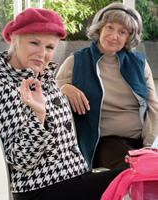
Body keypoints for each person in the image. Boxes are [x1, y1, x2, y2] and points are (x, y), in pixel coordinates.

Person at [0, 8, 125, 200]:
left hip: (73, 179)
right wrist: (39, 114)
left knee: (140, 176)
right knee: (132, 180)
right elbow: (21, 160)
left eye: (49, 47)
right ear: (14, 39)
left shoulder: (43, 78)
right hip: (42, 190)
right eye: (34, 43)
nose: (42, 53)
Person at [55, 2, 158, 170]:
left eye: (122, 32)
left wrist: (148, 144)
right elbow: (49, 95)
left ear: (128, 38)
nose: (114, 36)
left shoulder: (139, 63)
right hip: (102, 142)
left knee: (149, 169)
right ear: (99, 28)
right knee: (136, 170)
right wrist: (64, 89)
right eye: (110, 27)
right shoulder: (76, 61)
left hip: (141, 142)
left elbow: (153, 106)